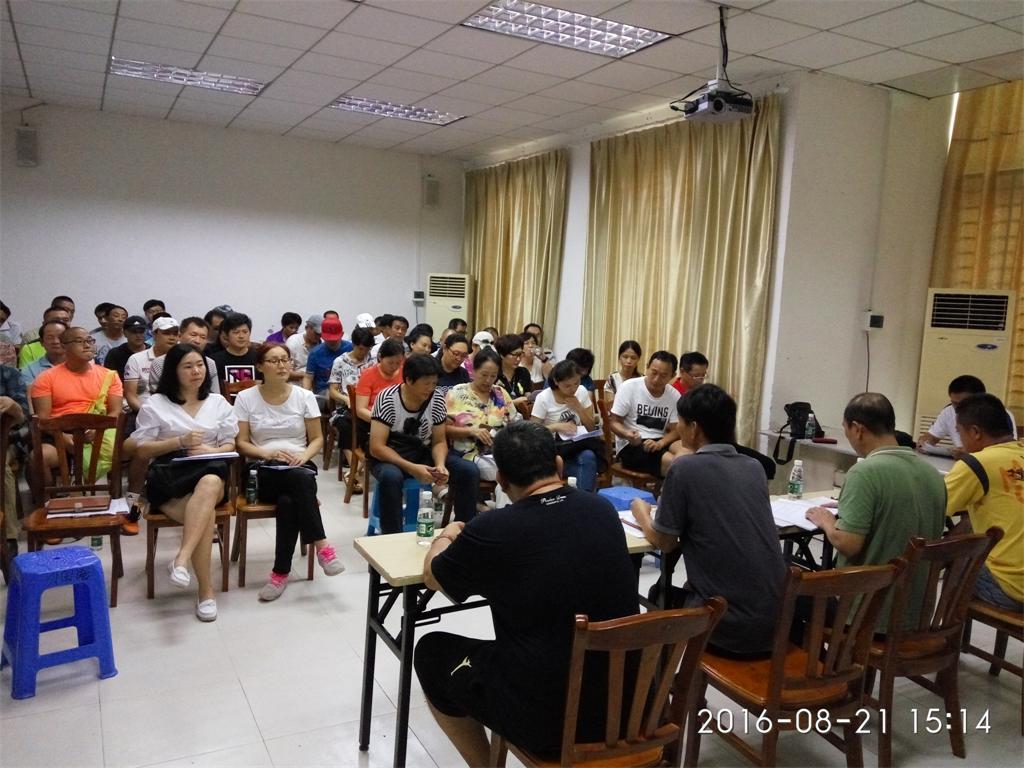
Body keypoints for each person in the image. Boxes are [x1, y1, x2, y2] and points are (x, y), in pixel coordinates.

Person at [415, 421, 639, 764]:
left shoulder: (492, 530)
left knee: (431, 651)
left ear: (502, 480)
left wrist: (446, 535)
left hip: (548, 724)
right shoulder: (602, 510)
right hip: (630, 708)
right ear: (559, 466)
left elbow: (432, 576)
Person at [631, 386, 785, 654]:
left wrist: (641, 513)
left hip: (727, 626)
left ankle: (667, 680)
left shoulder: (685, 468)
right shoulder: (754, 467)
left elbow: (664, 542)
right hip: (778, 621)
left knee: (659, 595)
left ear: (694, 428)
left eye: (680, 422)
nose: (677, 429)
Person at [806, 393, 946, 630]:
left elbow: (849, 544)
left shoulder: (864, 473)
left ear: (857, 429)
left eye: (846, 430)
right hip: (916, 613)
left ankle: (827, 655)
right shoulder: (931, 474)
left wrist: (827, 521)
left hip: (871, 613)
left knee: (792, 602)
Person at [126, 343, 238, 622]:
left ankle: (182, 560)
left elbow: (230, 443)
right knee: (204, 516)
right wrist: (179, 441)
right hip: (171, 479)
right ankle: (205, 591)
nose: (196, 371)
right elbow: (142, 449)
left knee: (210, 481)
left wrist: (210, 450)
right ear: (173, 372)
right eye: (188, 366)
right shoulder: (156, 404)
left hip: (210, 471)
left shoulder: (217, 402)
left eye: (200, 365)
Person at [234, 343, 345, 601]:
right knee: (299, 482)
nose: (282, 365)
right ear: (260, 367)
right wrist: (267, 453)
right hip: (262, 470)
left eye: (285, 360)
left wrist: (304, 456)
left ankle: (279, 573)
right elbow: (241, 443)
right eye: (274, 361)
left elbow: (317, 439)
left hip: (298, 466)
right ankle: (322, 546)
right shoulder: (246, 398)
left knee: (289, 501)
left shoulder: (304, 396)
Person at [944, 393, 1023, 612]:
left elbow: (935, 507)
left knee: (946, 560)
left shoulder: (976, 463)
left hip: (1010, 589)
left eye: (960, 432)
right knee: (969, 525)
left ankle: (943, 629)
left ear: (975, 432)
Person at [30, 327, 124, 497]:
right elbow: (43, 418)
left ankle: (118, 500)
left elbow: (116, 411)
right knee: (38, 457)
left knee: (130, 447)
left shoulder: (109, 376)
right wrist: (62, 438)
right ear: (64, 346)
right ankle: (48, 503)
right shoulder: (46, 378)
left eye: (90, 340)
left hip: (98, 433)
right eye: (80, 341)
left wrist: (97, 431)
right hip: (59, 434)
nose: (87, 345)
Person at [368, 353, 451, 534]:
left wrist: (440, 465)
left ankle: (466, 531)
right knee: (391, 477)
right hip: (389, 456)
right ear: (409, 380)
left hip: (421, 452)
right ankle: (392, 536)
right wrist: (412, 468)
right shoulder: (388, 398)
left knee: (466, 470)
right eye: (426, 383)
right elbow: (377, 447)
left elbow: (439, 441)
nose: (431, 388)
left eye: (434, 383)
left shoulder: (436, 398)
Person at [445, 348, 520, 517]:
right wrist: (471, 431)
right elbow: (442, 429)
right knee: (511, 472)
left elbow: (514, 424)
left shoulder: (500, 393)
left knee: (515, 470)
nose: (488, 380)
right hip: (466, 453)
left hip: (497, 452)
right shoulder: (457, 393)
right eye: (484, 375)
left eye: (493, 376)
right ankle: (501, 518)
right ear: (474, 370)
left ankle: (505, 518)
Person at [608, 350, 684, 477]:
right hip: (632, 444)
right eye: (653, 372)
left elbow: (676, 430)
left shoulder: (674, 395)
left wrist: (661, 443)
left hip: (660, 441)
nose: (656, 379)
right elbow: (614, 422)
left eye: (663, 376)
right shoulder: (629, 387)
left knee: (688, 454)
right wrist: (627, 433)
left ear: (673, 376)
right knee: (673, 463)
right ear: (647, 367)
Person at [531, 360, 601, 491]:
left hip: (577, 445)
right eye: (567, 386)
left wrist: (578, 408)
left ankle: (582, 497)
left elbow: (591, 427)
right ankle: (583, 497)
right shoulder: (544, 398)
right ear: (556, 381)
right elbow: (532, 432)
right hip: (554, 449)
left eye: (576, 383)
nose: (573, 389)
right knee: (585, 468)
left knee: (588, 456)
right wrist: (556, 427)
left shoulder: (581, 392)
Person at [917, 375, 1017, 459]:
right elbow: (931, 436)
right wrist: (924, 443)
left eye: (962, 403)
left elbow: (1008, 450)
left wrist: (971, 455)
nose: (957, 409)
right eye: (954, 403)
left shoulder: (999, 414)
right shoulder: (949, 411)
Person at [328, 326, 376, 481]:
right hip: (345, 408)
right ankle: (354, 468)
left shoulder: (373, 361)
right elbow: (333, 390)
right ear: (353, 345)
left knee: (375, 423)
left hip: (368, 406)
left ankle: (356, 469)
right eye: (361, 349)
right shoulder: (340, 362)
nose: (364, 353)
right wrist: (346, 399)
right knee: (345, 426)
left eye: (367, 349)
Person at [1, 363, 27, 549]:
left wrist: (13, 406)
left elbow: (24, 419)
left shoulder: (8, 374)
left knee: (1, 466)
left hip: (7, 441)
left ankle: (8, 538)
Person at [302, 316, 351, 409]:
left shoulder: (351, 348)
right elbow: (308, 378)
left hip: (348, 387)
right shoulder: (315, 353)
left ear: (342, 334)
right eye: (328, 339)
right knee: (330, 395)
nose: (331, 342)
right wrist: (306, 395)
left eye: (335, 339)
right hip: (324, 391)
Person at [211, 312, 260, 385]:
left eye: (245, 332)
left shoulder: (259, 358)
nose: (241, 336)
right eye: (236, 332)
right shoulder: (214, 361)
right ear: (226, 335)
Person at [20, 319, 67, 393]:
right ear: (42, 342)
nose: (56, 341)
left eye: (60, 337)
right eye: (50, 337)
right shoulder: (30, 370)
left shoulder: (81, 364)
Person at [103, 315, 149, 380]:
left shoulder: (153, 351)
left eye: (141, 332)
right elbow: (108, 379)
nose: (138, 335)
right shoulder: (115, 354)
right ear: (125, 333)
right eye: (134, 332)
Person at [493, 334, 531, 403]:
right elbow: (490, 402)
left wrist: (529, 398)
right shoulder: (493, 374)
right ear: (502, 355)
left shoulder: (523, 372)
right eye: (515, 355)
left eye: (520, 354)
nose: (518, 359)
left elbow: (527, 393)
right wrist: (514, 403)